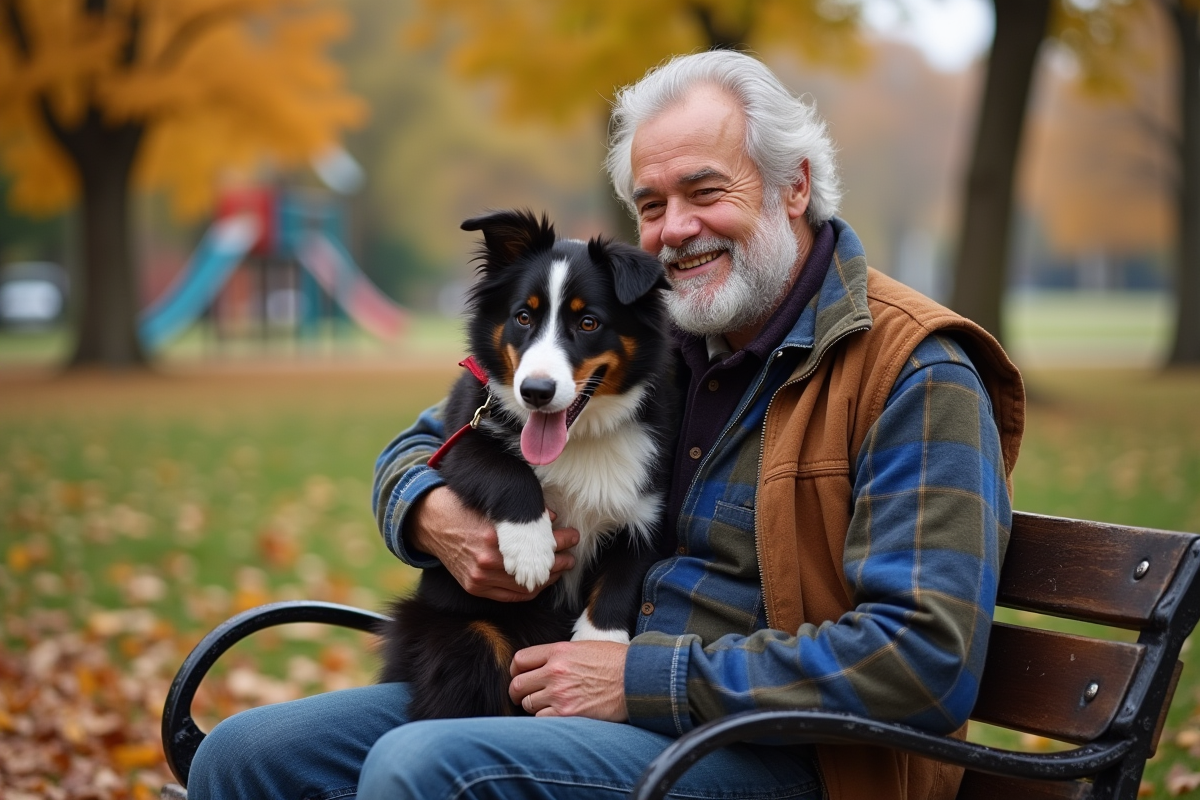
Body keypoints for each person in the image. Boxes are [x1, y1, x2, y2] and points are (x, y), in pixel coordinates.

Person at [188, 49, 1024, 800]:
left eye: (705, 191)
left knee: (423, 769)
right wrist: (432, 515)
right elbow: (425, 443)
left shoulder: (916, 372)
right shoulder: (647, 329)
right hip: (561, 684)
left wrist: (641, 679)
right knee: (245, 756)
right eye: (651, 204)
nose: (675, 231)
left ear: (794, 186)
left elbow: (925, 658)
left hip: (788, 753)